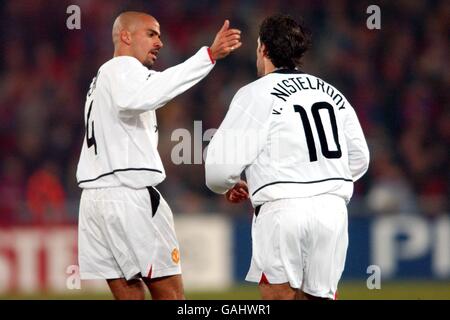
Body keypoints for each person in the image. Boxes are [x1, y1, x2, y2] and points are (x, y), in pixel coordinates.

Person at [76, 11, 241, 300]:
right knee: (172, 296)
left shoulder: (101, 78)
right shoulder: (123, 68)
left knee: (128, 294)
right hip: (128, 195)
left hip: (94, 201)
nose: (160, 43)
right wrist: (208, 56)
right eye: (151, 34)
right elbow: (151, 92)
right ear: (125, 36)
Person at [205, 14, 369, 300]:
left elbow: (217, 172)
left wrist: (227, 184)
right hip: (332, 210)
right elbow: (360, 158)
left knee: (278, 295)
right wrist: (321, 179)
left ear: (264, 49)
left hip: (283, 210)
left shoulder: (254, 94)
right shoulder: (331, 93)